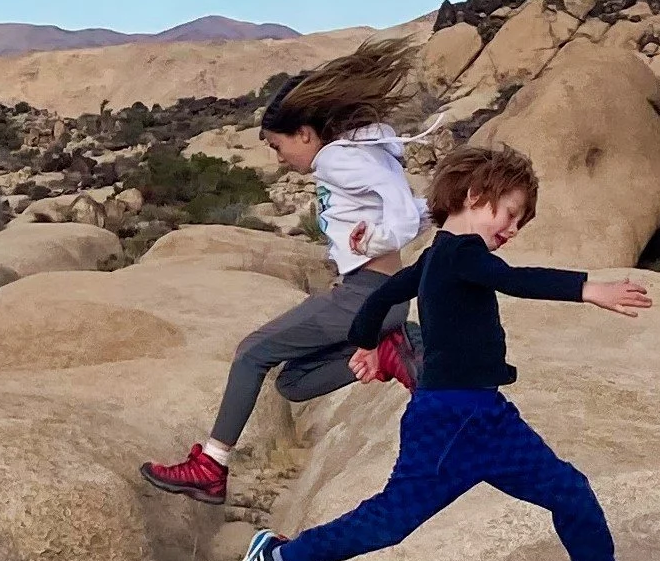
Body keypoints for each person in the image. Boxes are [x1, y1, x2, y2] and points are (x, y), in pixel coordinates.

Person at [226, 144, 660, 561]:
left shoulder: (434, 259)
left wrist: (368, 344)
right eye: (510, 214)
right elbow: (512, 280)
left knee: (570, 490)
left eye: (520, 223)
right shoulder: (462, 253)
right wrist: (588, 288)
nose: (512, 229)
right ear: (474, 195)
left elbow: (378, 299)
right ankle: (278, 560)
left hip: (487, 418)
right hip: (450, 419)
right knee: (390, 521)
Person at [140, 39, 438, 506]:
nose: (280, 159)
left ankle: (211, 469)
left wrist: (376, 241)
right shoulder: (363, 153)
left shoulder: (336, 158)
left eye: (278, 147)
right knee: (294, 383)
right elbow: (411, 210)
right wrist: (432, 213)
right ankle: (387, 348)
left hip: (366, 295)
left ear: (304, 134)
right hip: (379, 297)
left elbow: (397, 216)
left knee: (250, 354)